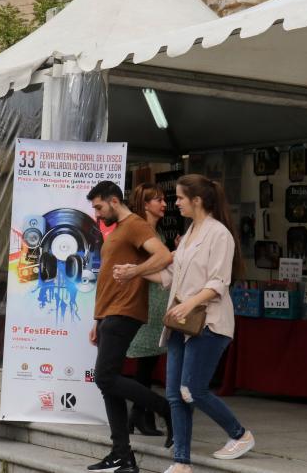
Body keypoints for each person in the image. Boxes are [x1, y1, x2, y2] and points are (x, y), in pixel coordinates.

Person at [115, 175, 255, 471]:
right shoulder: (191, 231)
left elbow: (219, 282)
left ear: (197, 200)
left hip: (208, 324)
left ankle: (239, 434)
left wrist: (189, 304)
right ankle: (181, 462)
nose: (174, 203)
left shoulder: (219, 235)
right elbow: (169, 277)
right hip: (181, 323)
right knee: (175, 394)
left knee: (192, 389)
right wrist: (134, 272)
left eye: (179, 198)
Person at [85, 181, 173, 473]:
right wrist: (97, 318)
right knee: (109, 384)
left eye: (99, 207)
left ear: (113, 200)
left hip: (125, 311)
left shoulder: (135, 225)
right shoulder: (117, 229)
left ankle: (165, 409)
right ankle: (121, 454)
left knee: (105, 378)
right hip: (110, 313)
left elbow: (164, 255)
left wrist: (136, 271)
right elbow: (107, 279)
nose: (97, 214)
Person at [126, 183, 170, 437]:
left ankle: (140, 416)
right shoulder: (143, 232)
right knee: (145, 365)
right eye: (158, 200)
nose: (164, 204)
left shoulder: (153, 231)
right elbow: (142, 267)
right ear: (145, 204)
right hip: (148, 303)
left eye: (164, 199)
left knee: (148, 364)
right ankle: (142, 417)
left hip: (156, 302)